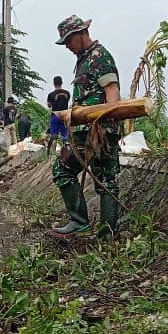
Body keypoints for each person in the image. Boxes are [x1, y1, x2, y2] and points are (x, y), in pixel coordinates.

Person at [49, 16, 121, 240]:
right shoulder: (84, 59)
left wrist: (107, 125)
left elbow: (112, 91)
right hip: (85, 130)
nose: (68, 47)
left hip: (98, 131)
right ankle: (94, 229)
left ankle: (91, 227)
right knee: (102, 178)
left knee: (67, 170)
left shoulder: (100, 57)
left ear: (80, 35)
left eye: (69, 41)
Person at [46, 76, 71, 155]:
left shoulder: (51, 94)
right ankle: (66, 152)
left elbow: (49, 105)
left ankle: (53, 153)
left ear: (54, 83)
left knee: (54, 135)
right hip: (65, 115)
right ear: (62, 82)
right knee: (65, 134)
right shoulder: (67, 93)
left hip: (55, 115)